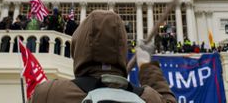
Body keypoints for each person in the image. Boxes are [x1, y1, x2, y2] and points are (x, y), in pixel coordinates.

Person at [29, 10, 176, 103]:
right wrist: (145, 65)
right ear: (122, 47)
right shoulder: (148, 98)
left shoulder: (49, 94)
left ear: (78, 46)